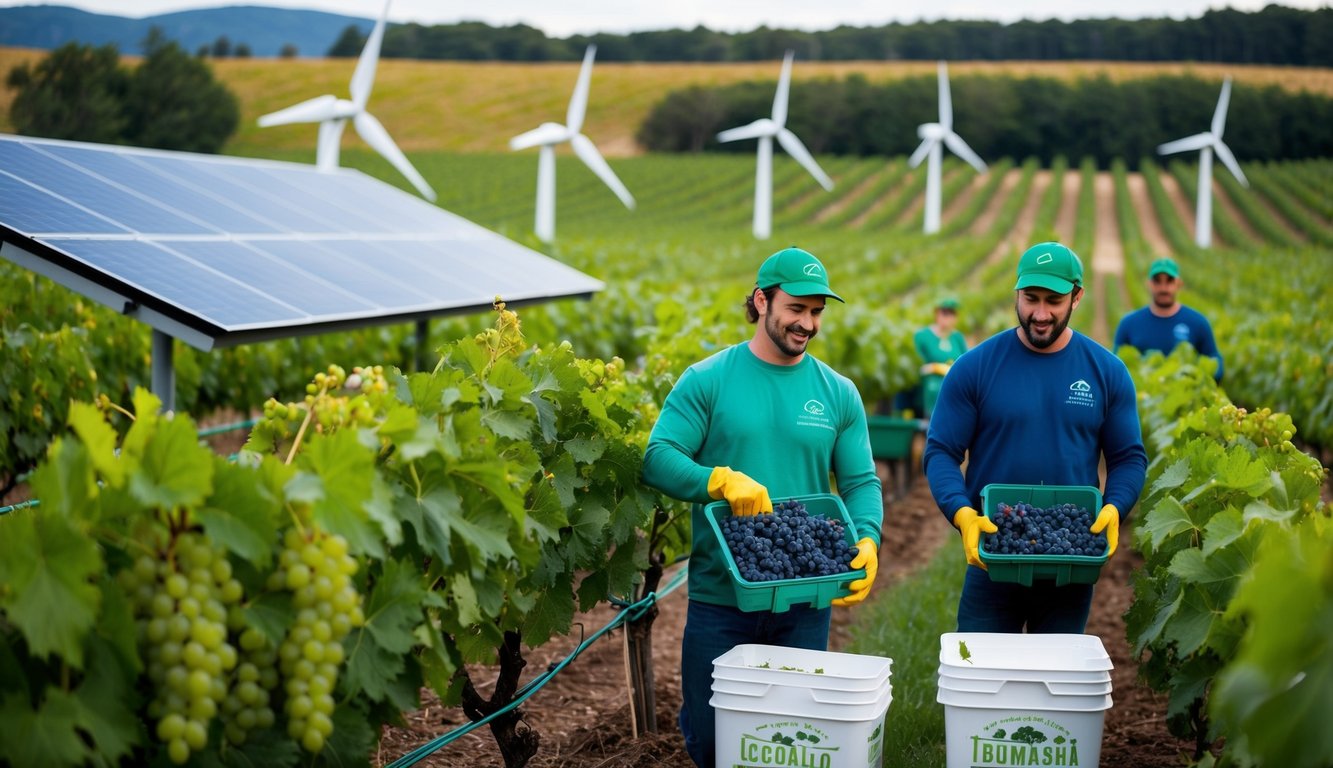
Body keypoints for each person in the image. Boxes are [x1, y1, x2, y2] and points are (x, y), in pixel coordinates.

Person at [641, 246, 884, 768]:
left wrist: (867, 536)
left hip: (805, 600)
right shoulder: (709, 379)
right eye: (796, 308)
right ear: (762, 300)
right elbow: (657, 458)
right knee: (712, 744)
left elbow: (861, 481)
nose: (807, 323)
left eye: (817, 311)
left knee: (792, 743)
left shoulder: (838, 393)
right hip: (721, 600)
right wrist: (717, 479)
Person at [922, 242, 1147, 634]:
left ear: (1077, 297)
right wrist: (962, 514)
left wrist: (1115, 508)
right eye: (1030, 299)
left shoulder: (1107, 372)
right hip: (994, 553)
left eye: (1054, 301)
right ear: (1017, 293)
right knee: (981, 682)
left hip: (1071, 561)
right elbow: (941, 451)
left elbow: (1128, 457)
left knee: (1054, 686)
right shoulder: (974, 367)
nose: (1040, 314)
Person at [1113, 257, 1223, 380]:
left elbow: (1214, 360)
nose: (1163, 288)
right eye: (1157, 281)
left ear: (1179, 284)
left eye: (1169, 281)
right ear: (1149, 284)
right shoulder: (1129, 324)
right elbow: (1115, 366)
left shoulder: (1198, 323)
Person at [913, 296, 969, 419]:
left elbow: (966, 361)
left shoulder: (957, 337)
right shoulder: (922, 336)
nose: (948, 318)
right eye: (945, 313)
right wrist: (935, 368)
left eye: (952, 314)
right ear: (937, 314)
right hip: (931, 389)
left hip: (954, 388)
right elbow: (916, 365)